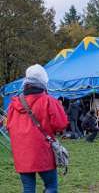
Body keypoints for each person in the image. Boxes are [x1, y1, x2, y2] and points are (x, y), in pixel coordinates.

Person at [6, 64, 69, 193]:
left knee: (28, 188)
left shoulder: (14, 104)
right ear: (43, 81)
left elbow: (9, 126)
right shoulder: (49, 101)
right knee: (51, 187)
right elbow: (61, 124)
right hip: (43, 151)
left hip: (22, 153)